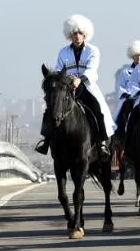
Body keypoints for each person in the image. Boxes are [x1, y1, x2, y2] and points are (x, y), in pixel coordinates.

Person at [35, 14, 114, 159]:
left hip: (86, 87)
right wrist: (60, 81)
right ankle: (46, 141)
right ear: (70, 35)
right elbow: (59, 70)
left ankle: (102, 142)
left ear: (85, 35)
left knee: (98, 109)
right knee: (51, 110)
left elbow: (91, 69)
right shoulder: (63, 52)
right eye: (74, 33)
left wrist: (80, 79)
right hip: (67, 89)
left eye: (80, 33)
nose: (77, 36)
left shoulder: (93, 51)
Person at [113, 40, 140, 135]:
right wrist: (126, 94)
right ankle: (120, 135)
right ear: (132, 56)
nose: (138, 58)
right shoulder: (125, 71)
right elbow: (121, 86)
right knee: (122, 114)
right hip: (130, 98)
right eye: (136, 55)